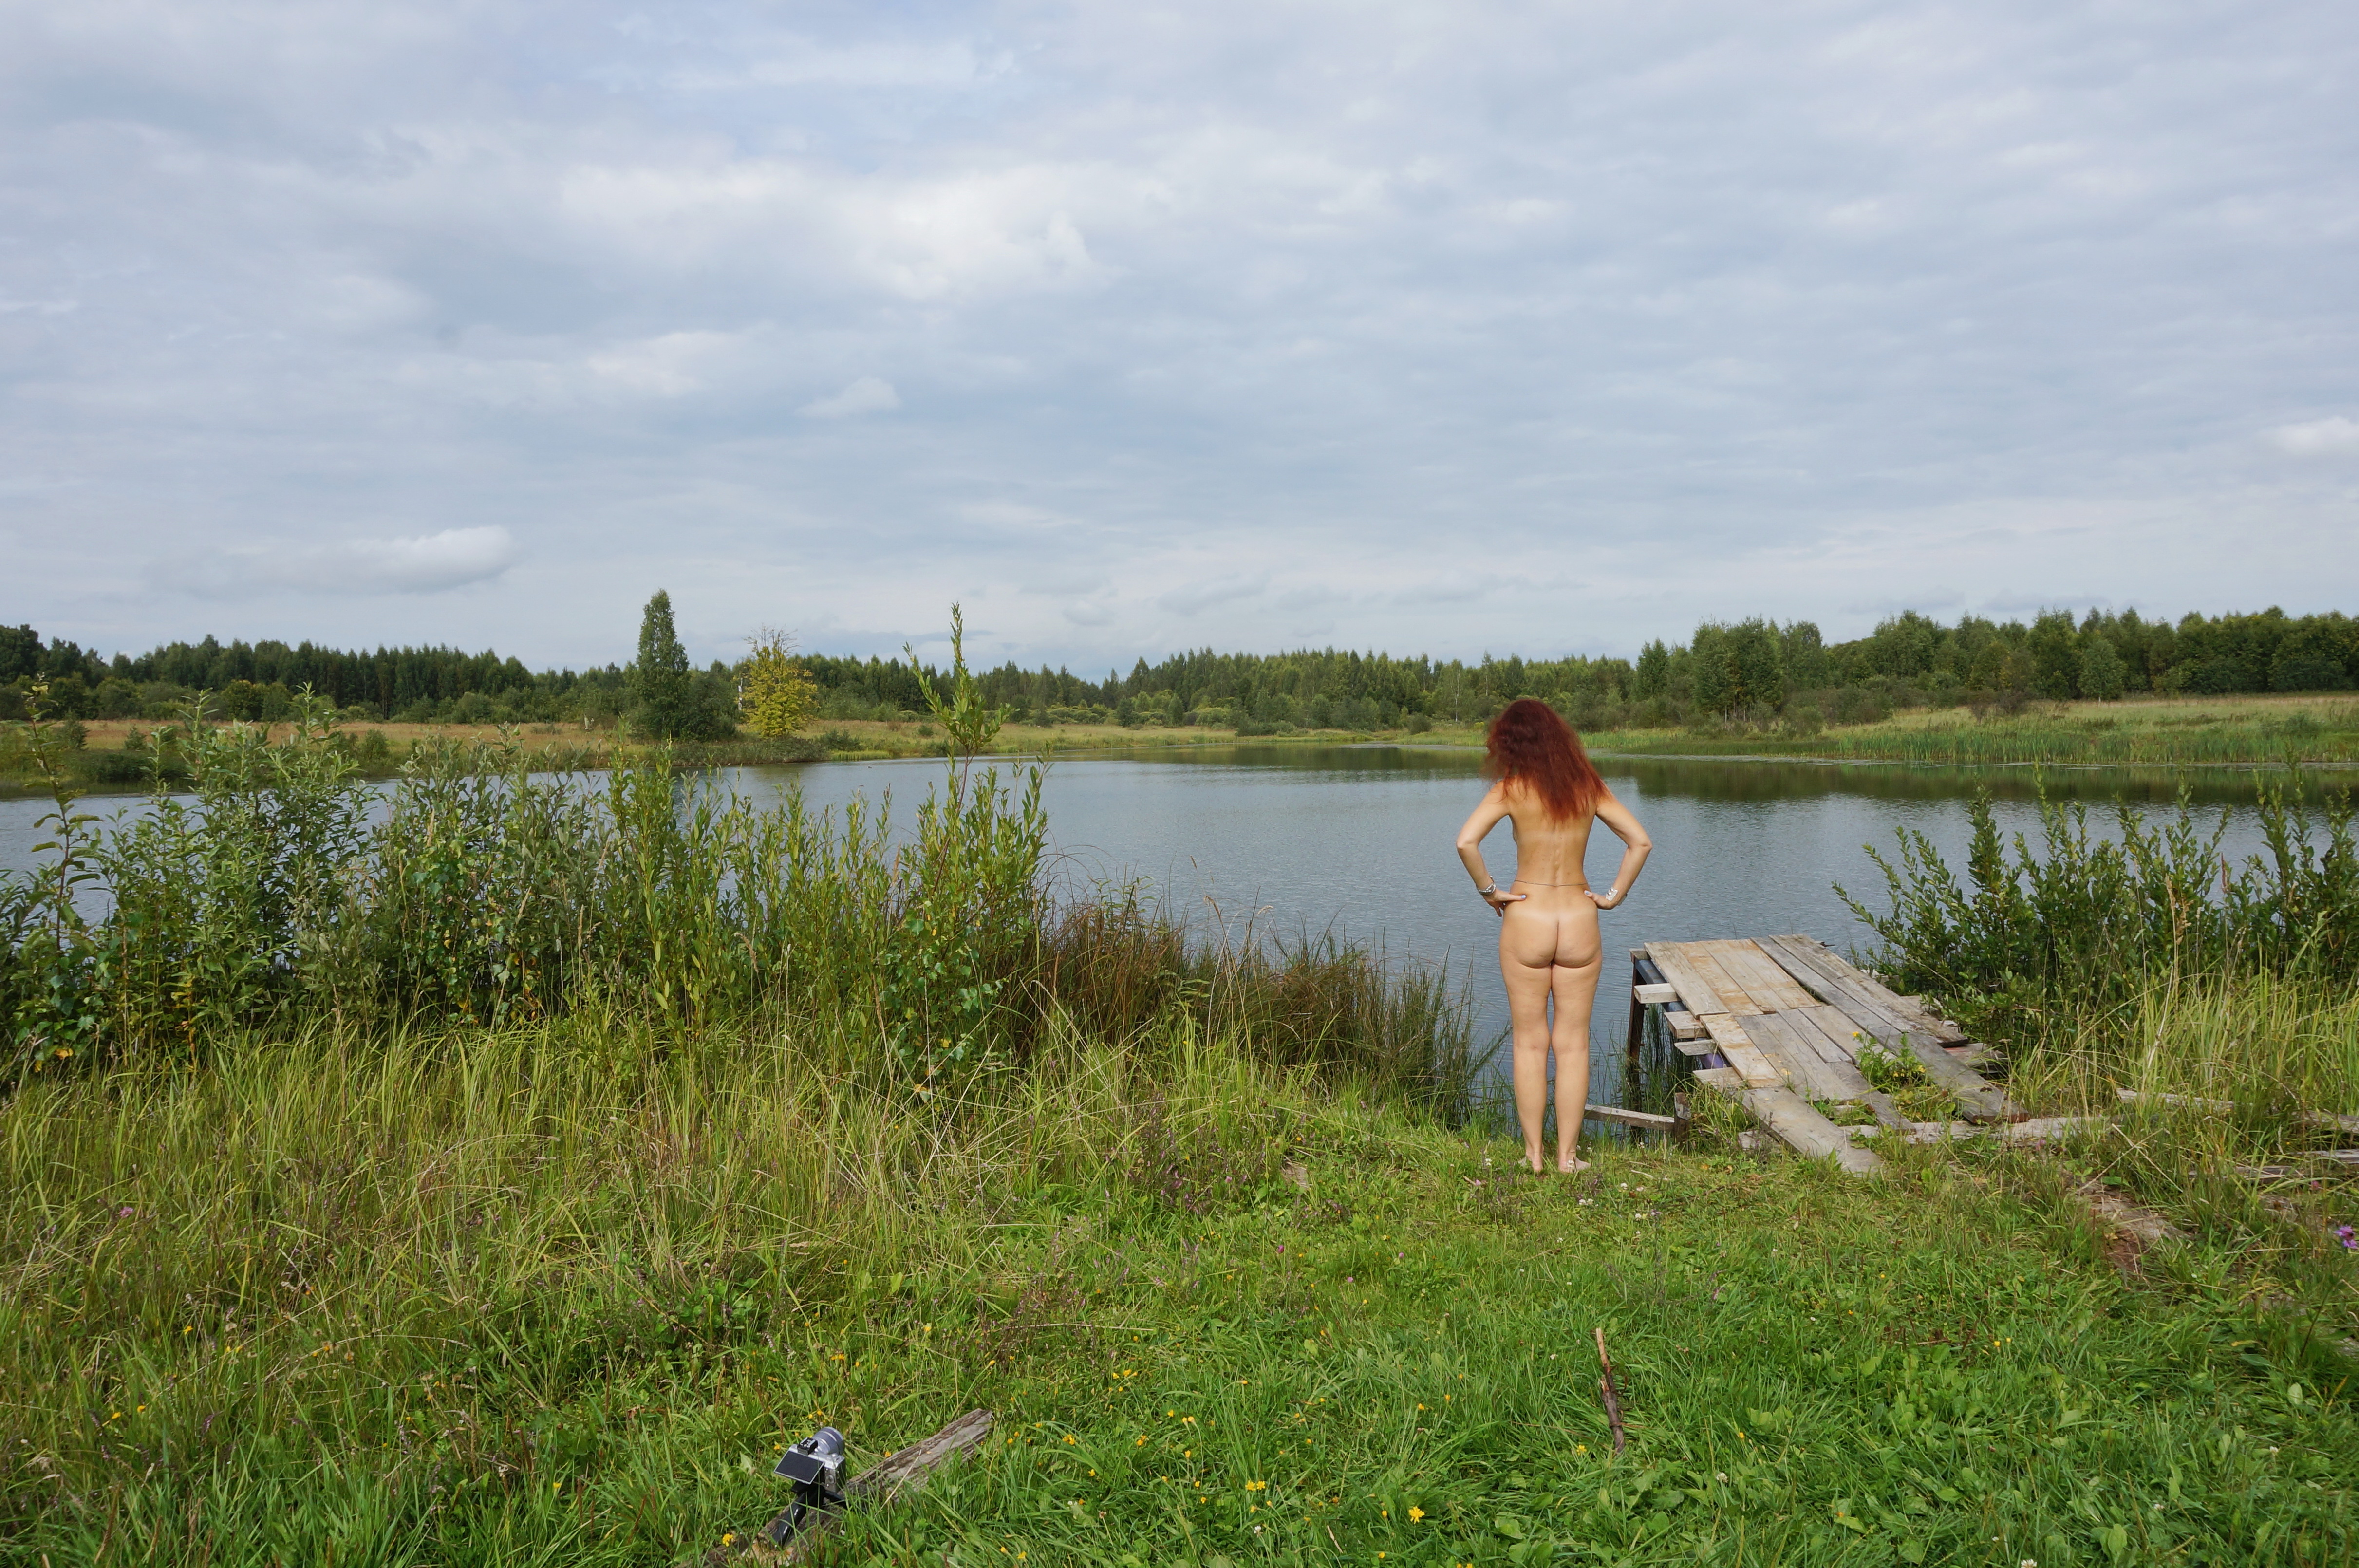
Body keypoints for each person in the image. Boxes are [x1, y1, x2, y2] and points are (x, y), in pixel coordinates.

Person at [1455, 699, 1651, 1174]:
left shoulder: (1510, 790)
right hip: (1579, 918)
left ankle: (1534, 1156)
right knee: (1573, 1044)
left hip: (1528, 916)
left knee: (1529, 1042)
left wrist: (1489, 891)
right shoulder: (1588, 786)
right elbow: (1640, 841)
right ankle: (1567, 1157)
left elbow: (1465, 842)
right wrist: (1612, 896)